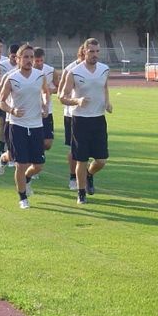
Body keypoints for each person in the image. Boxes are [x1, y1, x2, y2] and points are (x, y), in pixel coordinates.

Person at [0, 44, 49, 209]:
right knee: (21, 164)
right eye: (25, 57)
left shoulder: (40, 76)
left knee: (38, 165)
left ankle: (23, 177)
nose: (29, 60)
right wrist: (12, 110)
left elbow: (45, 92)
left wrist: (45, 105)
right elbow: (0, 100)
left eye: (31, 57)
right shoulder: (11, 77)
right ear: (17, 59)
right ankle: (22, 197)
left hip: (36, 125)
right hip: (17, 125)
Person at [60, 38, 112, 205]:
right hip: (80, 120)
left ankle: (90, 174)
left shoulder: (104, 69)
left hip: (98, 119)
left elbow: (104, 87)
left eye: (97, 51)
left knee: (101, 160)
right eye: (91, 51)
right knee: (81, 159)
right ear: (84, 52)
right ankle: (81, 192)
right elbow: (63, 97)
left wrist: (108, 102)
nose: (95, 54)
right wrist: (77, 101)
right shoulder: (74, 72)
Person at [57, 45, 85, 190]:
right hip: (71, 114)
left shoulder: (94, 69)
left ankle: (84, 176)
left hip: (89, 115)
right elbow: (61, 93)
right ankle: (73, 177)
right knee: (74, 148)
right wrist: (72, 101)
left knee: (86, 148)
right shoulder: (70, 70)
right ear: (81, 55)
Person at [33, 47, 58, 152]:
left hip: (47, 110)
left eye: (41, 60)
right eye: (37, 61)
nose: (39, 63)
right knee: (34, 140)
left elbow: (58, 88)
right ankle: (36, 158)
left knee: (47, 143)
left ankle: (36, 154)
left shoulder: (51, 71)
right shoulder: (26, 72)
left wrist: (50, 90)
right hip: (32, 110)